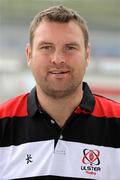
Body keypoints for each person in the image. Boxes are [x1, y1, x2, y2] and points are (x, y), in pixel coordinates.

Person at [0, 5, 120, 180]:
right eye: (46, 47)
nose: (58, 59)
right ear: (28, 54)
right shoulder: (3, 123)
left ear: (87, 55)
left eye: (70, 48)